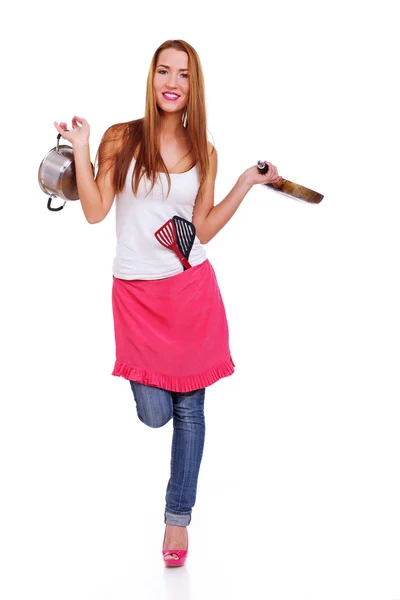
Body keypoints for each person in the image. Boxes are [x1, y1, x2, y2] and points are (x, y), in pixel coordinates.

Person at [54, 39, 281, 567]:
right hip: (135, 295)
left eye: (182, 73)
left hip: (190, 293)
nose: (172, 81)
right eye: (163, 70)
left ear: (193, 85)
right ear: (152, 77)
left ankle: (177, 521)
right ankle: (175, 498)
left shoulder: (205, 150)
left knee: (192, 409)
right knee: (155, 413)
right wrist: (83, 148)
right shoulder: (122, 137)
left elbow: (200, 229)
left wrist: (246, 182)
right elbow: (93, 211)